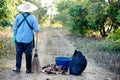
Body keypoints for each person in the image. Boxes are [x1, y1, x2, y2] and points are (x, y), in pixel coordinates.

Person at [12, 2, 39, 73]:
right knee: (28, 54)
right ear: (30, 10)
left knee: (18, 54)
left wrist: (15, 36)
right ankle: (28, 69)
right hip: (28, 40)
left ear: (23, 9)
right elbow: (36, 30)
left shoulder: (18, 16)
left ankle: (17, 68)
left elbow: (14, 28)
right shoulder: (33, 18)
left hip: (19, 39)